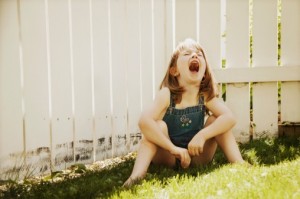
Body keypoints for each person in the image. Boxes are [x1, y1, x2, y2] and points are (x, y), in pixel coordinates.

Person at [123, 38, 245, 187]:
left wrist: (202, 135)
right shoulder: (166, 94)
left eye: (199, 54)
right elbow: (144, 122)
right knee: (158, 126)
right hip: (168, 156)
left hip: (197, 155)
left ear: (204, 72)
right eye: (187, 54)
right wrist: (172, 148)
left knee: (216, 121)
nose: (195, 56)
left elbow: (230, 118)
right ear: (174, 70)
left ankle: (239, 163)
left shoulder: (204, 95)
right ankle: (136, 176)